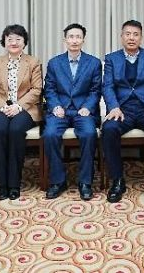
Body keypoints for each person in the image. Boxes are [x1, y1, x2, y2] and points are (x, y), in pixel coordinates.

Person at [102, 20, 144, 203]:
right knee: (108, 129)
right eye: (128, 34)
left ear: (141, 37)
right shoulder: (111, 58)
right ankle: (117, 180)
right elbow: (107, 86)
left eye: (135, 34)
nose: (131, 38)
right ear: (121, 36)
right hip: (122, 110)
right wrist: (114, 106)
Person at [43, 23, 102, 201]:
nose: (74, 40)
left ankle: (85, 182)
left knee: (89, 134)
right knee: (49, 134)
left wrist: (87, 107)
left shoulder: (93, 63)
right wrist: (55, 106)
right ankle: (58, 180)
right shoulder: (54, 63)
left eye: (78, 37)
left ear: (83, 40)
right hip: (60, 110)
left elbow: (95, 90)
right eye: (71, 37)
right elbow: (49, 89)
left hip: (83, 111)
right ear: (65, 40)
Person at [0, 24, 43, 201]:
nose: (14, 42)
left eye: (18, 39)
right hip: (1, 107)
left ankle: (14, 184)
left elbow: (37, 89)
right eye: (10, 39)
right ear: (4, 42)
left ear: (24, 42)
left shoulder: (33, 62)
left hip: (25, 108)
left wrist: (18, 106)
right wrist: (2, 106)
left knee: (16, 130)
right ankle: (1, 184)